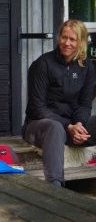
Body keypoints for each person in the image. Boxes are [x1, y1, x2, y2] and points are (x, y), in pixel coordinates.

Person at [22, 19, 96, 186]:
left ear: (81, 42)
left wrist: (78, 125)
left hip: (72, 126)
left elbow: (85, 104)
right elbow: (37, 108)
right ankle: (55, 187)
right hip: (40, 126)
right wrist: (67, 126)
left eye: (72, 39)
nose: (66, 43)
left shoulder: (87, 66)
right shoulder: (42, 64)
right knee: (55, 128)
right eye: (64, 37)